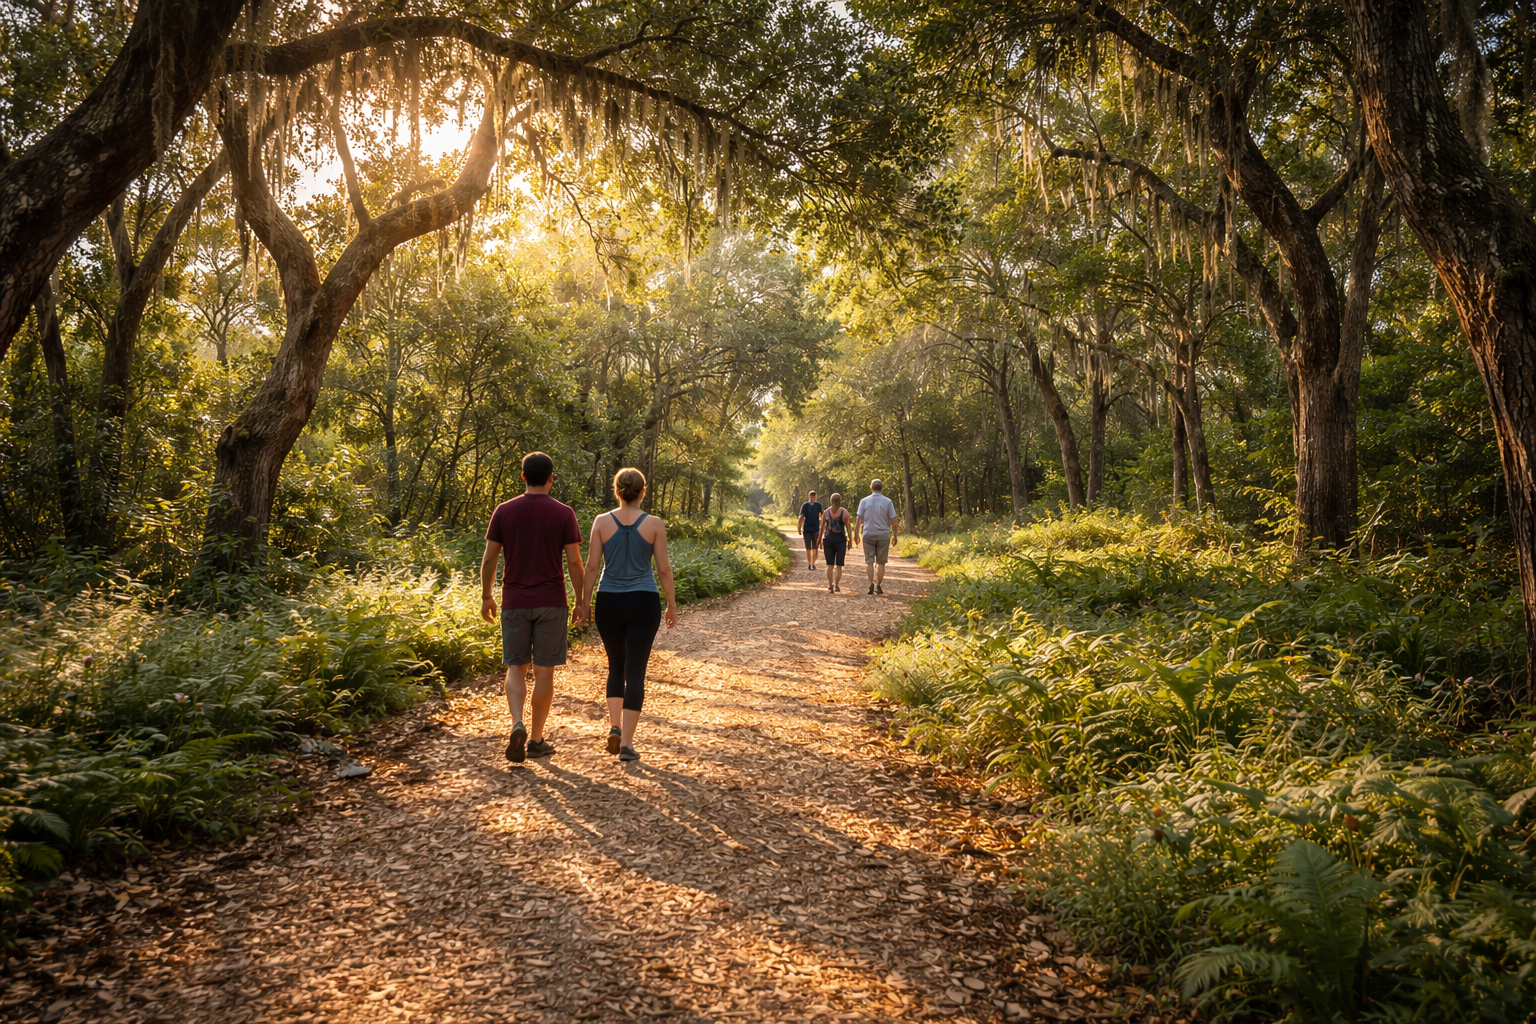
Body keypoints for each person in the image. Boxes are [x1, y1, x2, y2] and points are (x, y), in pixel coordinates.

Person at [480, 451, 586, 764]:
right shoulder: (564, 513)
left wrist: (487, 595)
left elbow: (490, 558)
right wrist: (581, 600)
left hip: (513, 601)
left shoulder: (504, 511)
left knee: (516, 667)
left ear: (523, 476)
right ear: (551, 478)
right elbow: (575, 562)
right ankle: (537, 739)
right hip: (551, 601)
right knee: (544, 671)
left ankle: (516, 723)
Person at [580, 468, 678, 763]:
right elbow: (663, 569)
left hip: (608, 600)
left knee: (615, 666)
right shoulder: (654, 524)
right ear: (643, 492)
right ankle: (627, 743)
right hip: (643, 600)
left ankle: (614, 726)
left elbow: (592, 567)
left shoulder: (601, 522)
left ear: (617, 491)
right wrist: (671, 603)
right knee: (635, 671)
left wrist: (583, 603)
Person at [855, 478, 899, 596]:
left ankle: (871, 584)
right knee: (881, 562)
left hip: (868, 534)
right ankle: (878, 585)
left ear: (871, 487)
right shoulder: (888, 502)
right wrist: (895, 536)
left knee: (869, 561)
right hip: (883, 535)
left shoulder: (864, 501)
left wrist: (856, 534)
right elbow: (893, 521)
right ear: (881, 488)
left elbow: (859, 519)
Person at [820, 493, 852, 593]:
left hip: (828, 541)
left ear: (831, 501)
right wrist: (850, 540)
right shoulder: (844, 513)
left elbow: (821, 528)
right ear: (840, 501)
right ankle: (837, 585)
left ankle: (830, 585)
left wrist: (819, 540)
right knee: (839, 565)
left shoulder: (826, 513)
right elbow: (848, 527)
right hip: (841, 542)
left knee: (829, 565)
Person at [798, 490, 825, 572]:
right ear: (809, 496)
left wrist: (822, 526)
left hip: (816, 529)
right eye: (811, 496)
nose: (812, 497)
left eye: (813, 496)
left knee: (815, 547)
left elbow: (821, 516)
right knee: (808, 548)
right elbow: (802, 516)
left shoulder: (818, 505)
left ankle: (813, 563)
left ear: (815, 497)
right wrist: (799, 527)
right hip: (807, 529)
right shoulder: (805, 505)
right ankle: (809, 563)